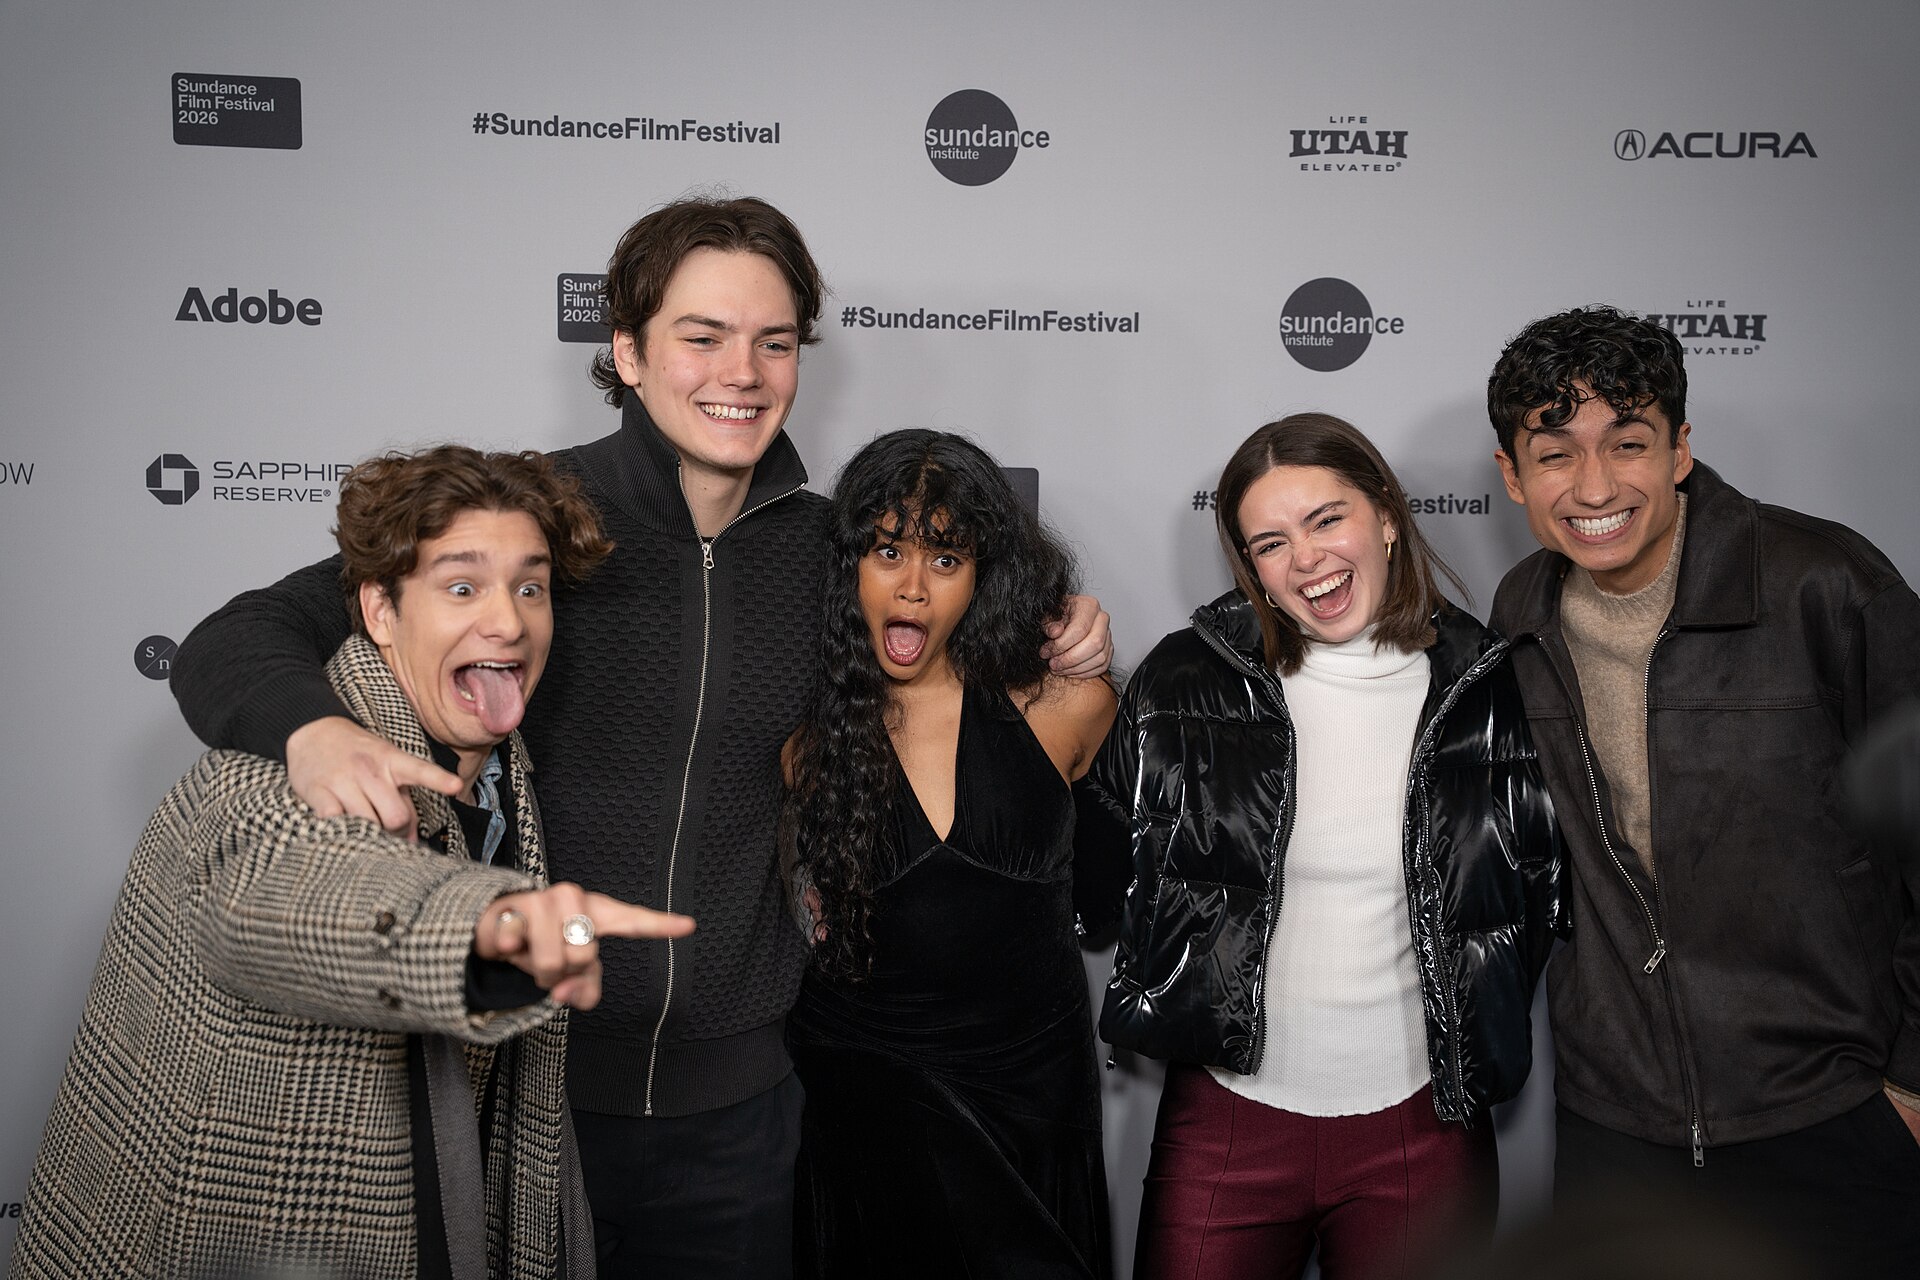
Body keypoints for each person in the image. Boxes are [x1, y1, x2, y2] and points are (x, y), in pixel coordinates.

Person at [165, 195, 1112, 1279]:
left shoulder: (832, 551)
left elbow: (947, 640)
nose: (741, 373)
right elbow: (239, 635)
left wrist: (1064, 629)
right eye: (703, 336)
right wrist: (312, 730)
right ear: (627, 351)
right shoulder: (530, 519)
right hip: (530, 1093)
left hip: (747, 1114)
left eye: (773, 342)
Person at [11, 445, 694, 1280]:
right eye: (461, 587)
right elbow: (290, 896)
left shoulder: (499, 769)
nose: (509, 622)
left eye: (530, 588)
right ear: (379, 611)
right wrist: (486, 931)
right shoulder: (277, 773)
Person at [1485, 305, 1920, 1279]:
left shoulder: (1824, 584)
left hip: (1833, 1114)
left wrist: (1910, 1084)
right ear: (1513, 475)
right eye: (1555, 455)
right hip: (1616, 1126)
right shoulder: (1522, 612)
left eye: (1627, 443)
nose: (1594, 486)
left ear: (1680, 448)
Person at [1082, 414, 1562, 1280]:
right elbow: (1088, 876)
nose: (1306, 559)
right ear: (1251, 567)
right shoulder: (1183, 680)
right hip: (1227, 1122)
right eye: (1271, 542)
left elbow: (1535, 895)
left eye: (1326, 519)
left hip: (1424, 1129)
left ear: (1386, 516)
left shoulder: (1488, 686)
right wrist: (1052, 688)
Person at [781, 429, 1119, 1278]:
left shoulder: (1068, 707)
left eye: (945, 558)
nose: (912, 586)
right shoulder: (806, 743)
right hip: (867, 1098)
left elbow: (1116, 888)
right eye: (888, 550)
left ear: (983, 576)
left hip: (1032, 1099)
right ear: (849, 566)